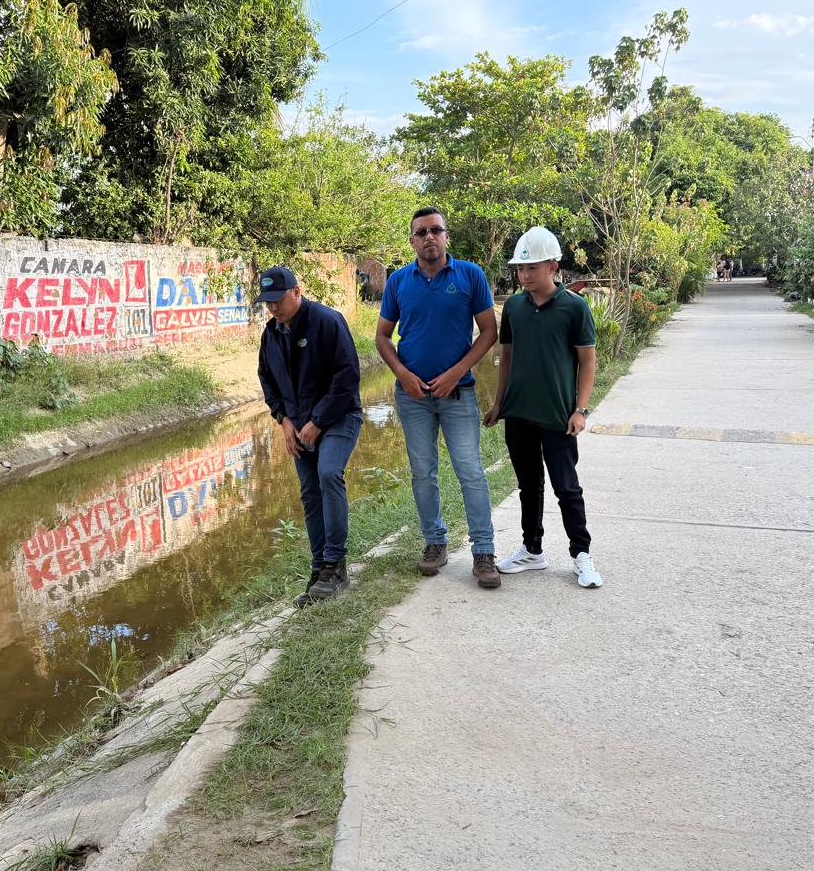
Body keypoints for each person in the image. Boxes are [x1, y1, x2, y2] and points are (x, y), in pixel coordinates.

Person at [377, 206, 501, 589]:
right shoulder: (399, 281)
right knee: (423, 474)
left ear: (447, 236)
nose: (429, 237)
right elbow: (382, 338)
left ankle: (484, 551)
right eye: (421, 232)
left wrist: (454, 373)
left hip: (458, 392)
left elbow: (488, 332)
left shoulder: (469, 275)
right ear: (412, 240)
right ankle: (435, 543)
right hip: (412, 397)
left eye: (436, 230)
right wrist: (403, 375)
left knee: (470, 472)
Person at [484, 226, 604, 588]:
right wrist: (499, 402)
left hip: (557, 416)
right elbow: (507, 356)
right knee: (528, 485)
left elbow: (588, 362)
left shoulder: (574, 308)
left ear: (552, 266)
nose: (523, 275)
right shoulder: (515, 307)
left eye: (530, 268)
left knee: (566, 487)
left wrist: (580, 410)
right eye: (520, 269)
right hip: (519, 413)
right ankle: (532, 550)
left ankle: (581, 554)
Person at [256, 265, 363, 607]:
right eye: (267, 302)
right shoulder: (271, 334)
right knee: (309, 492)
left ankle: (336, 565)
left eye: (278, 300)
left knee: (329, 474)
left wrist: (317, 421)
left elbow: (347, 376)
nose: (273, 308)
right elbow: (268, 381)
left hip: (339, 417)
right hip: (299, 425)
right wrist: (284, 420)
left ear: (297, 292)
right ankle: (319, 570)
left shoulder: (327, 321)